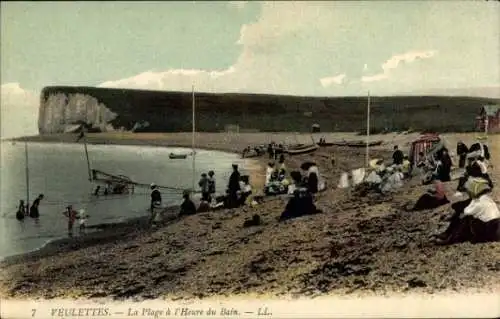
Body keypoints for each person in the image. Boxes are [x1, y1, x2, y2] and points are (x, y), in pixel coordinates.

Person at [435, 177, 499, 245]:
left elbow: (466, 211)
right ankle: (448, 234)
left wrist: (459, 214)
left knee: (465, 219)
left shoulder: (479, 202)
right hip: (494, 227)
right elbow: (468, 208)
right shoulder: (485, 198)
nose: (468, 192)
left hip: (489, 230)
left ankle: (450, 238)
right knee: (464, 216)